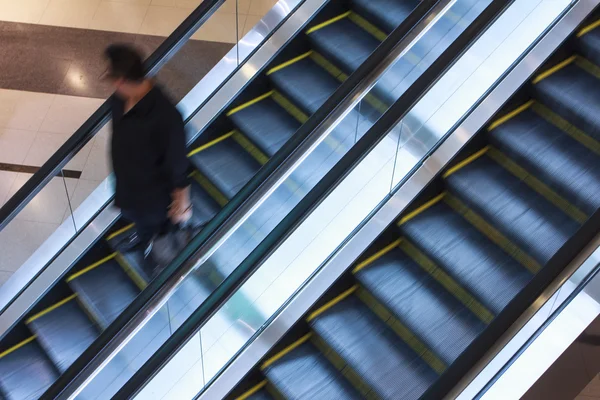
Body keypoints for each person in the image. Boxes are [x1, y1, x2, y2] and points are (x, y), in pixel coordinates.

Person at [104, 43, 192, 259]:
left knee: (153, 226)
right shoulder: (119, 100)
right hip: (128, 189)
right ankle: (144, 239)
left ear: (121, 80)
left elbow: (177, 163)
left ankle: (160, 253)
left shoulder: (166, 116)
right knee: (140, 223)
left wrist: (182, 199)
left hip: (152, 198)